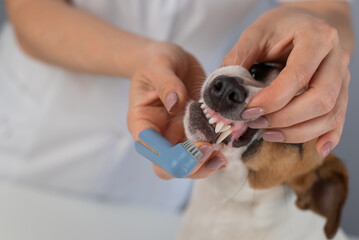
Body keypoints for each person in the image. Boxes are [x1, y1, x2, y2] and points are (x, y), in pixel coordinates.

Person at [0, 0, 354, 210]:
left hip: (164, 181)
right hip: (32, 146)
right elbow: (29, 9)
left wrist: (320, 33)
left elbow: (327, 7)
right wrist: (144, 58)